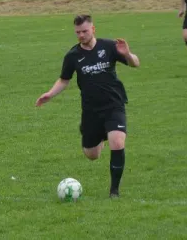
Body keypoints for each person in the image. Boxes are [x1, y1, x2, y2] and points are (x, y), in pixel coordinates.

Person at [35, 15, 140, 198]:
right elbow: (64, 80)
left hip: (114, 104)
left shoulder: (109, 46)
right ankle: (101, 137)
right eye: (77, 32)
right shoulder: (73, 56)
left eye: (84, 31)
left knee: (117, 141)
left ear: (93, 29)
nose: (81, 35)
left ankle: (114, 191)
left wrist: (127, 54)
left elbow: (135, 64)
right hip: (91, 110)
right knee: (92, 155)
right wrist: (50, 94)